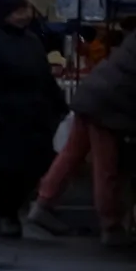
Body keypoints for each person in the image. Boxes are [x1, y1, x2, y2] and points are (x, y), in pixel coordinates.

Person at [0, 0, 66, 240]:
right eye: (19, 11)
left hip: (34, 117)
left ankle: (21, 209)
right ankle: (5, 216)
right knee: (5, 172)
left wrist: (59, 103)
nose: (25, 16)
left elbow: (44, 76)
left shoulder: (32, 41)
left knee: (35, 167)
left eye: (27, 10)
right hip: (4, 118)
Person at [28, 29, 136, 246]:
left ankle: (43, 203)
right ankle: (111, 225)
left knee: (72, 152)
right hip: (111, 104)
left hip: (96, 93)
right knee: (106, 165)